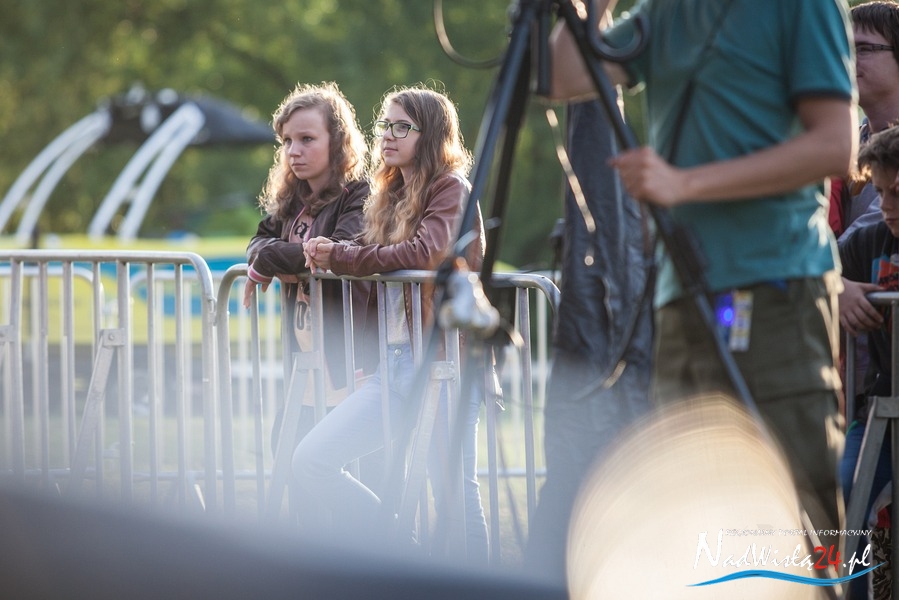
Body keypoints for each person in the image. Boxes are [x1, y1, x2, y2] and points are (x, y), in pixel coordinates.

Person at [548, 0, 857, 573]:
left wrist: (683, 183)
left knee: (798, 512)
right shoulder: (667, 11)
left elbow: (835, 145)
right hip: (683, 300)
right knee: (686, 511)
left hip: (776, 288)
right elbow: (562, 76)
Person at [294, 85, 489, 561]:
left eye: (403, 127)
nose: (388, 135)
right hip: (393, 364)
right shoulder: (389, 193)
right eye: (385, 124)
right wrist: (329, 250)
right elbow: (369, 255)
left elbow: (424, 254)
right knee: (312, 460)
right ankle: (407, 553)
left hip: (444, 362)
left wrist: (342, 257)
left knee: (454, 494)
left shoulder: (451, 188)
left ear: (432, 134)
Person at [243, 81, 377, 469]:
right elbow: (257, 243)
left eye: (307, 139)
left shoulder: (361, 195)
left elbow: (334, 252)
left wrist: (273, 260)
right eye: (286, 141)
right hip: (304, 364)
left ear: (338, 141)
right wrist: (274, 258)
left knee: (344, 476)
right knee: (286, 459)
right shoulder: (292, 199)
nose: (293, 151)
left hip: (349, 365)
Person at [838, 125, 899, 600]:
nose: (886, 206)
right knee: (843, 495)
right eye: (879, 193)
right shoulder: (869, 239)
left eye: (897, 193)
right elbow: (814, 267)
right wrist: (837, 289)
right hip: (882, 404)